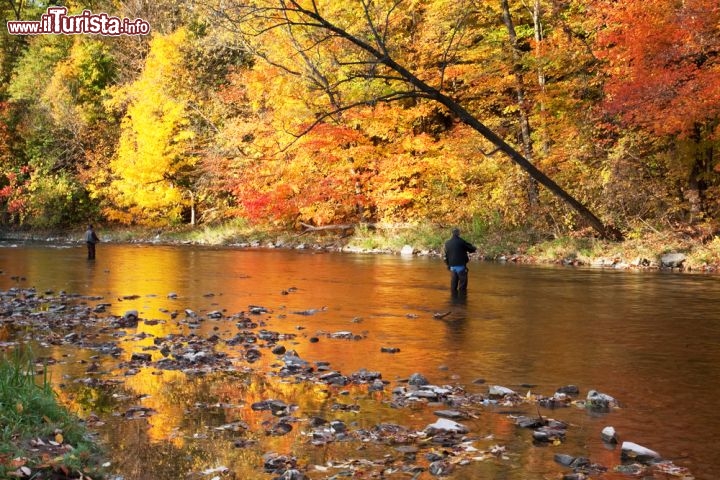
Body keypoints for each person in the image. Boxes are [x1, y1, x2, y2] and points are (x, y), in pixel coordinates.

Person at [443, 228, 477, 294]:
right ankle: (461, 300)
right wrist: (474, 248)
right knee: (462, 286)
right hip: (461, 266)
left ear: (452, 233)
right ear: (459, 233)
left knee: (453, 286)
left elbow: (446, 255)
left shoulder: (447, 243)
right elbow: (471, 249)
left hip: (452, 267)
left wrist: (448, 265)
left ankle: (453, 300)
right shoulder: (461, 241)